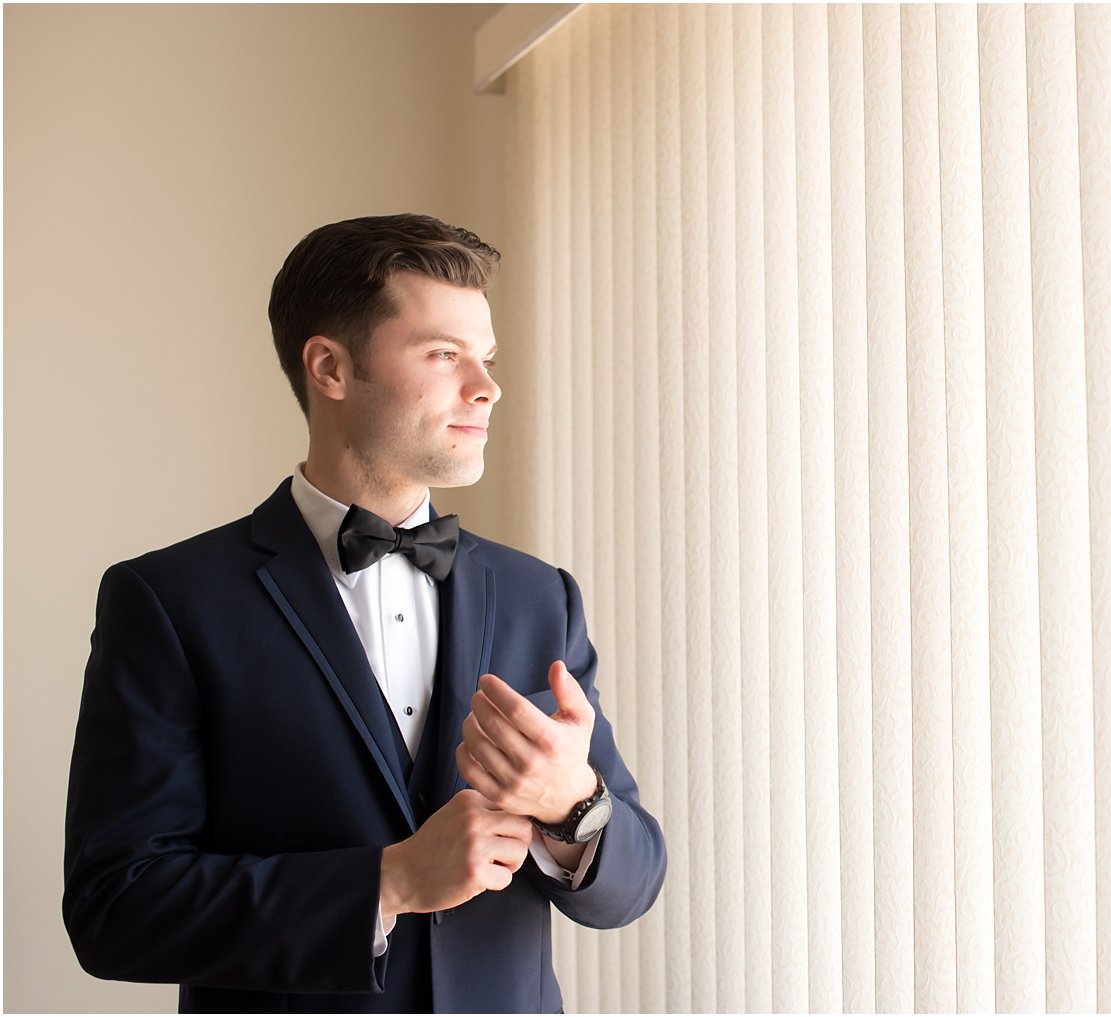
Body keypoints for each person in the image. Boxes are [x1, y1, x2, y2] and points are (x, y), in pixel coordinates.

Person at [62, 214, 665, 1013]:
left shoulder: (538, 595)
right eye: (444, 355)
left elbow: (633, 883)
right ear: (331, 368)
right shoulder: (170, 602)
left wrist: (574, 803)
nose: (485, 386)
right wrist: (389, 881)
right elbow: (116, 906)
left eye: (486, 359)